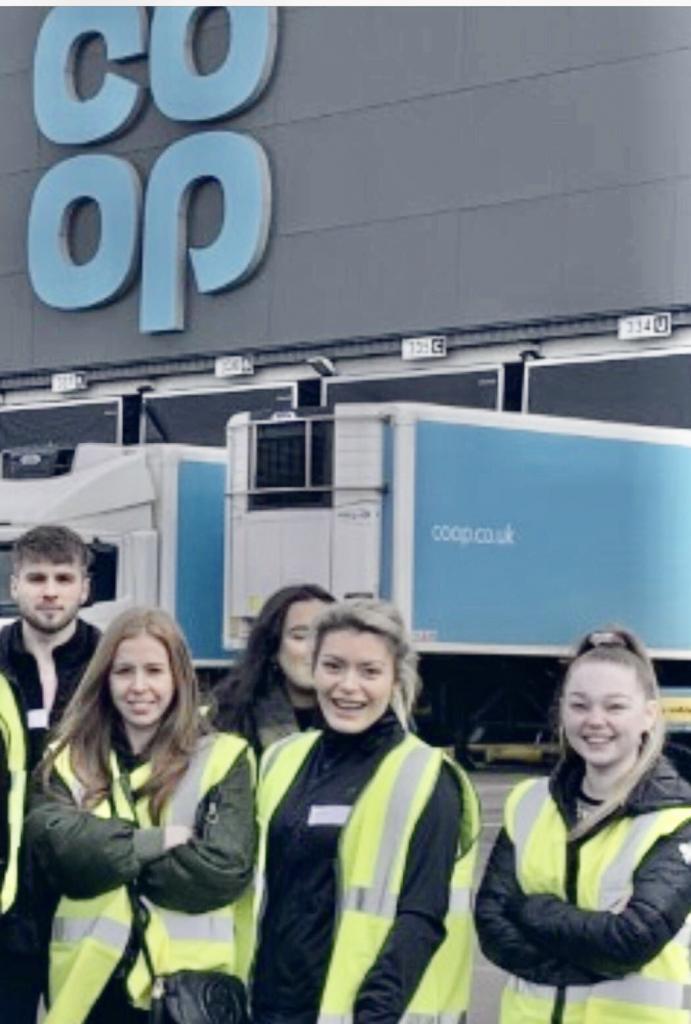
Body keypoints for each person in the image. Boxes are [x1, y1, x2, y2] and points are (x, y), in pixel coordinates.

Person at [251, 599, 480, 1024]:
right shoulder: (280, 760)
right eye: (334, 666)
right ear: (313, 668)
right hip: (271, 1007)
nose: (348, 686)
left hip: (364, 1013)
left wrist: (375, 1013)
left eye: (369, 671)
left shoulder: (427, 777)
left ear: (396, 679)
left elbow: (422, 916)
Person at [24, 606, 256, 1024]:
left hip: (184, 997)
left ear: (179, 678)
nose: (139, 686)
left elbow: (221, 873)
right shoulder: (64, 760)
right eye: (124, 671)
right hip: (87, 989)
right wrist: (151, 842)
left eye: (154, 670)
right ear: (104, 679)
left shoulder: (225, 757)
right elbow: (57, 855)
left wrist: (104, 857)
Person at [475, 627, 691, 1023]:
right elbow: (491, 925)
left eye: (614, 707)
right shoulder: (527, 804)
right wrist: (583, 965)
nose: (595, 721)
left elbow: (631, 940)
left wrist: (533, 910)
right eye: (579, 705)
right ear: (562, 712)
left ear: (648, 715)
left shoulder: (678, 821)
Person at [0, 524, 100, 1024]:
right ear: (13, 585)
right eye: (36, 577)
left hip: (85, 885)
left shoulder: (112, 664)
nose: (50, 591)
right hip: (8, 891)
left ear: (86, 587)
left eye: (64, 577)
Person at [214, 583, 335, 753]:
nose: (315, 648)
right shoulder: (227, 718)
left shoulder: (362, 720)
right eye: (300, 636)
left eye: (326, 636)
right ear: (272, 646)